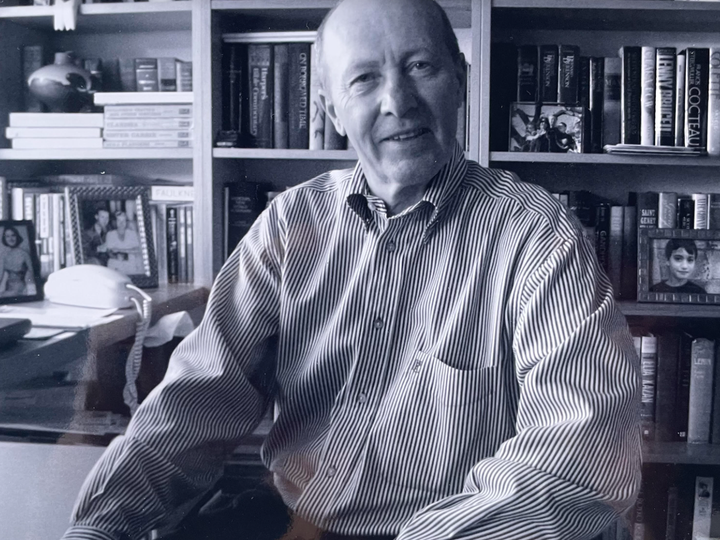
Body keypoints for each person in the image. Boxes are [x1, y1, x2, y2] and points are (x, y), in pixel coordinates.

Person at [63, 1, 641, 539]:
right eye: (364, 79)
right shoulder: (289, 225)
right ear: (330, 108)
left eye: (420, 66)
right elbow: (194, 406)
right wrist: (96, 528)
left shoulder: (537, 233)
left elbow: (579, 456)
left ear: (461, 79)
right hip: (290, 523)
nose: (398, 101)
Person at [105, 211, 144, 275]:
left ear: (126, 222)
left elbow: (137, 250)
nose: (121, 223)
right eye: (119, 220)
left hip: (131, 262)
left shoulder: (132, 233)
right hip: (116, 261)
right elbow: (109, 251)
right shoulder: (110, 234)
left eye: (124, 221)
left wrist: (119, 250)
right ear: (115, 222)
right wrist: (117, 257)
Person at [0, 226, 34, 298]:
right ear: (5, 239)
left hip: (21, 290)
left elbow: (32, 273)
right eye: (7, 236)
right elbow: (0, 275)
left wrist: (28, 288)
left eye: (13, 235)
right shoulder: (3, 255)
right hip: (8, 289)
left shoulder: (24, 254)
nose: (11, 239)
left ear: (17, 236)